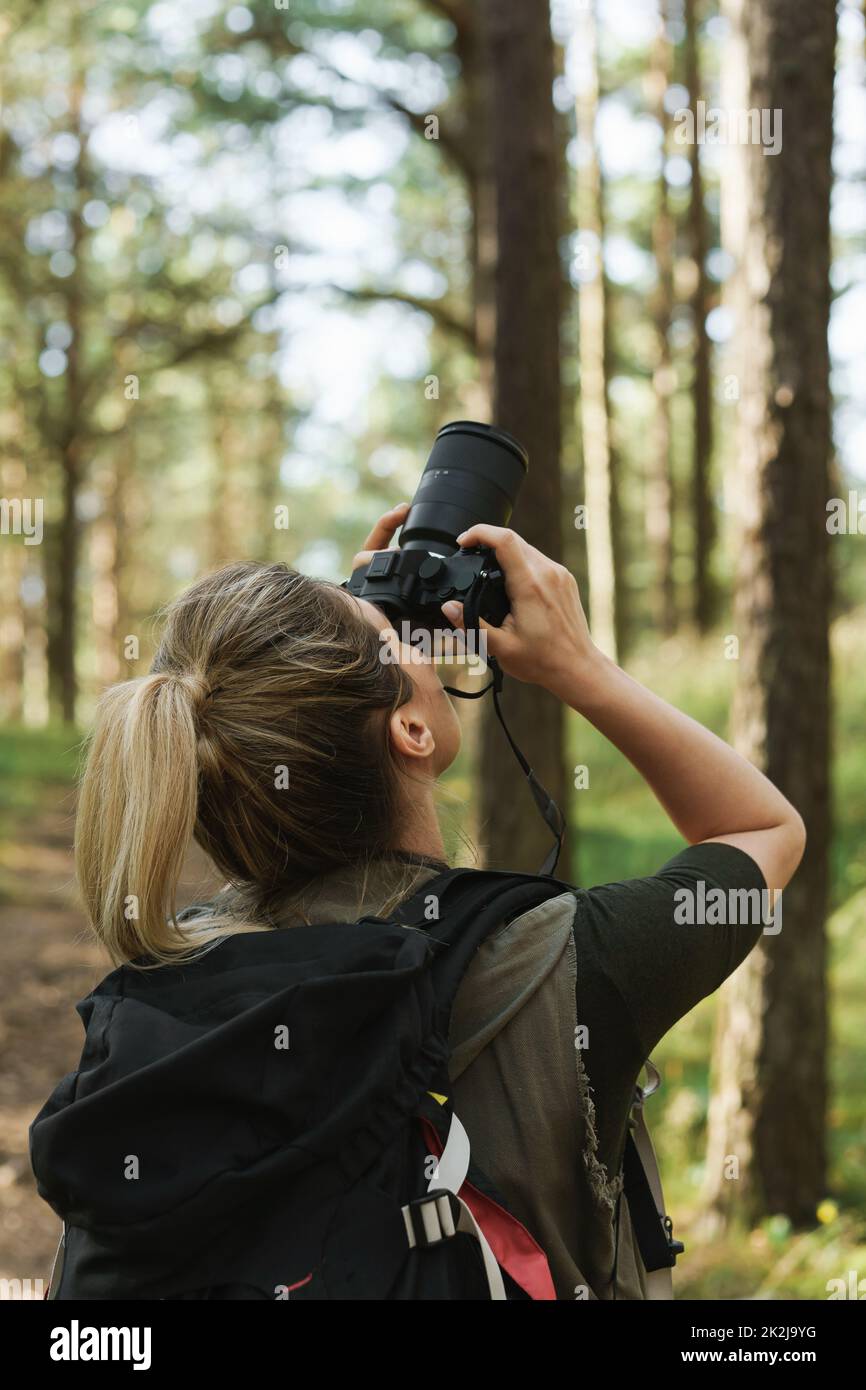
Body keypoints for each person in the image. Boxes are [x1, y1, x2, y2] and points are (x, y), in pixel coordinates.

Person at [30, 504, 805, 1300]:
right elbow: (763, 826)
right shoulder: (565, 963)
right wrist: (579, 665)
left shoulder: (171, 982)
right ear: (411, 729)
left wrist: (340, 638)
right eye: (399, 637)